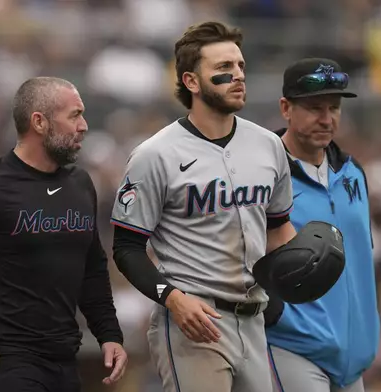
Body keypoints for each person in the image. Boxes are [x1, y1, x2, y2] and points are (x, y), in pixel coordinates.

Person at [110, 21, 301, 392]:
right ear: (192, 82)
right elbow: (126, 247)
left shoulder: (269, 145)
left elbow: (278, 229)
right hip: (194, 322)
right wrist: (172, 298)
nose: (238, 76)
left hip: (254, 318)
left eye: (240, 66)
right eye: (223, 69)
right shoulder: (156, 154)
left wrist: (299, 270)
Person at [0, 76, 128, 392]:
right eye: (74, 115)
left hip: (64, 362)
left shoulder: (81, 184)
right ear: (39, 122)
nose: (84, 125)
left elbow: (92, 268)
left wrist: (109, 334)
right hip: (5, 363)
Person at [264, 58, 380, 392]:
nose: (327, 119)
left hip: (353, 357)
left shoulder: (352, 172)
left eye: (334, 107)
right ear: (286, 108)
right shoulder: (262, 175)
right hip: (294, 347)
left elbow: (361, 259)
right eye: (314, 108)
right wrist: (275, 315)